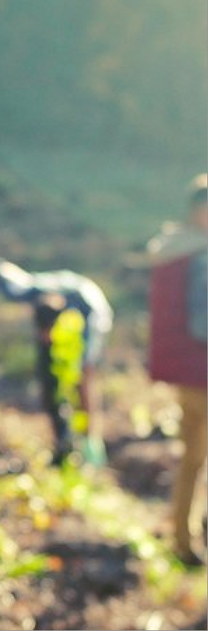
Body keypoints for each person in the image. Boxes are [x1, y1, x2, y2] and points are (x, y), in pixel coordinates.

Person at [0, 257, 113, 466]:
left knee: (83, 374)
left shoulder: (25, 291)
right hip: (84, 303)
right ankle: (76, 440)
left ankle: (90, 440)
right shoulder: (30, 291)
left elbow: (2, 271)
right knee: (66, 379)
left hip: (91, 309)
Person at [146, 173, 208, 566]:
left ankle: (185, 536)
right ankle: (185, 541)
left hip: (187, 371)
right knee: (195, 458)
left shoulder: (173, 250)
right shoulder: (200, 255)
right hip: (202, 371)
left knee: (193, 457)